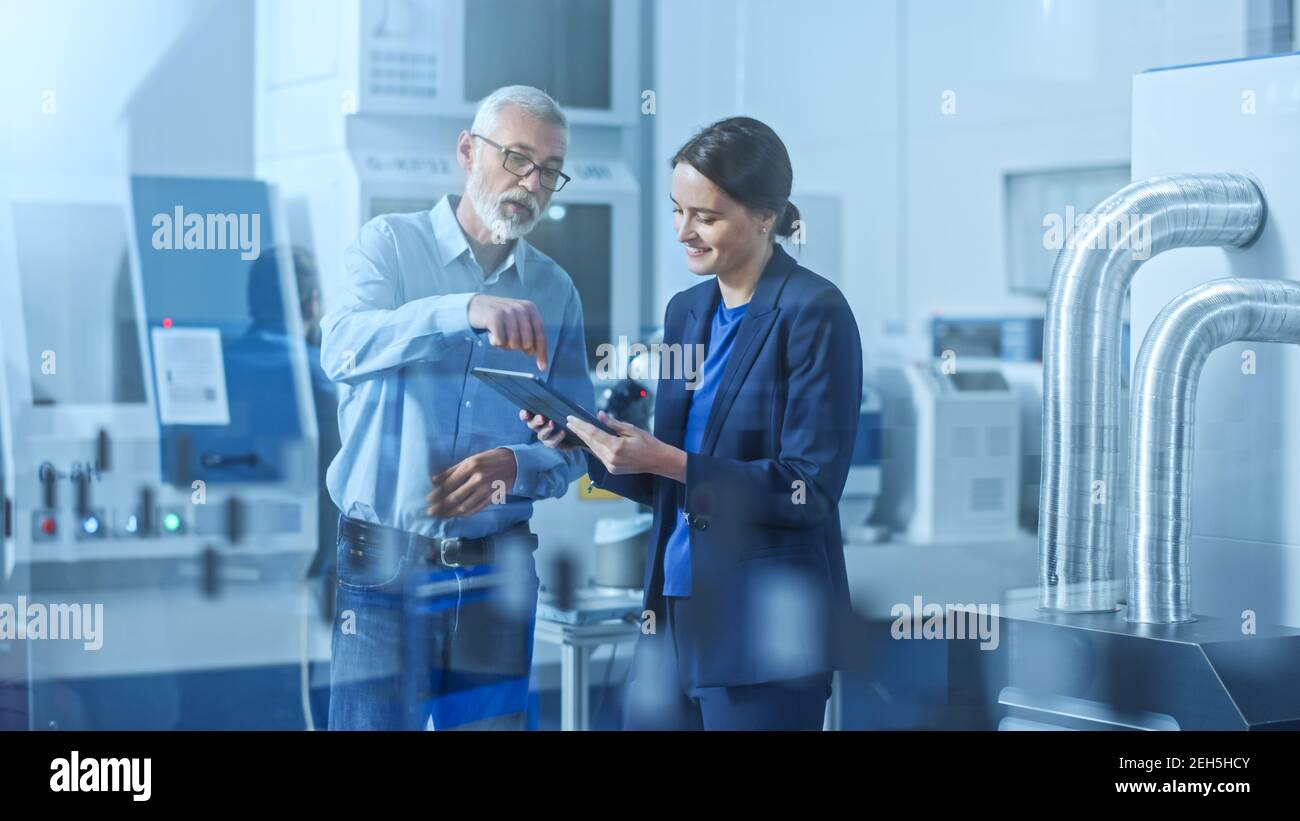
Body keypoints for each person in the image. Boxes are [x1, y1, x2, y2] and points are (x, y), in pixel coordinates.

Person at [525, 117, 862, 730]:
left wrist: (666, 460)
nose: (683, 231)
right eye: (676, 210)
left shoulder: (814, 312)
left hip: (765, 636)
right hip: (671, 618)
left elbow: (807, 489)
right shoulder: (688, 311)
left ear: (766, 216)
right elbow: (672, 480)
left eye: (705, 216)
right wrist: (589, 446)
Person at [321, 85, 593, 730]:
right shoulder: (387, 245)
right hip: (385, 566)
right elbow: (341, 347)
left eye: (550, 171)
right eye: (517, 158)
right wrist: (461, 310)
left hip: (499, 572)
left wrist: (518, 465)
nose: (531, 181)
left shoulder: (555, 291)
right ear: (468, 151)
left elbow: (578, 436)